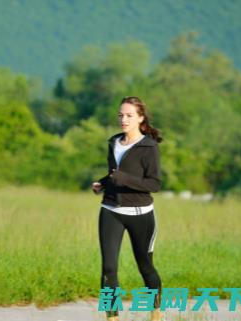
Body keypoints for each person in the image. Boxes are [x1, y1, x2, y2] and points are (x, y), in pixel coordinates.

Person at [92, 96, 164, 321]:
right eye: (120, 115)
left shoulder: (148, 147)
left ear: (140, 118)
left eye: (129, 115)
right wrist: (103, 183)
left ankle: (155, 313)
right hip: (111, 211)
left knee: (145, 267)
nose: (123, 119)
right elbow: (116, 174)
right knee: (108, 269)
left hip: (140, 215)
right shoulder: (113, 142)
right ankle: (112, 318)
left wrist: (122, 179)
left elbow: (154, 184)